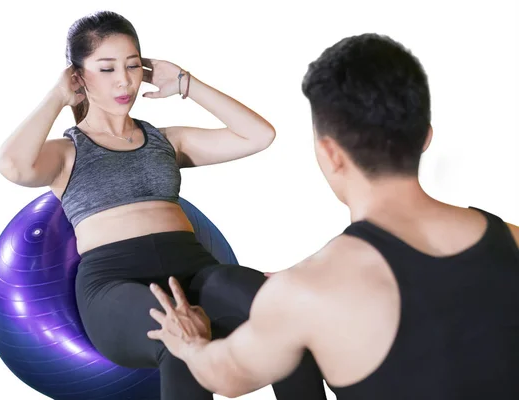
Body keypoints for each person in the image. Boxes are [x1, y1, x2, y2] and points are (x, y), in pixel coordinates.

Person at [147, 33, 519, 399]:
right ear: (425, 136)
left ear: (331, 153)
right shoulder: (511, 238)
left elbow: (226, 376)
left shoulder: (305, 293)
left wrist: (190, 343)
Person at [0, 10, 327, 400]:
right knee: (180, 342)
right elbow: (12, 165)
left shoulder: (167, 141)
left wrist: (187, 83)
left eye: (133, 65)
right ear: (78, 76)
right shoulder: (67, 153)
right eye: (106, 69)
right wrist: (56, 95)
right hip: (116, 284)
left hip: (194, 269)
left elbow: (259, 135)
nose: (124, 80)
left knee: (283, 317)